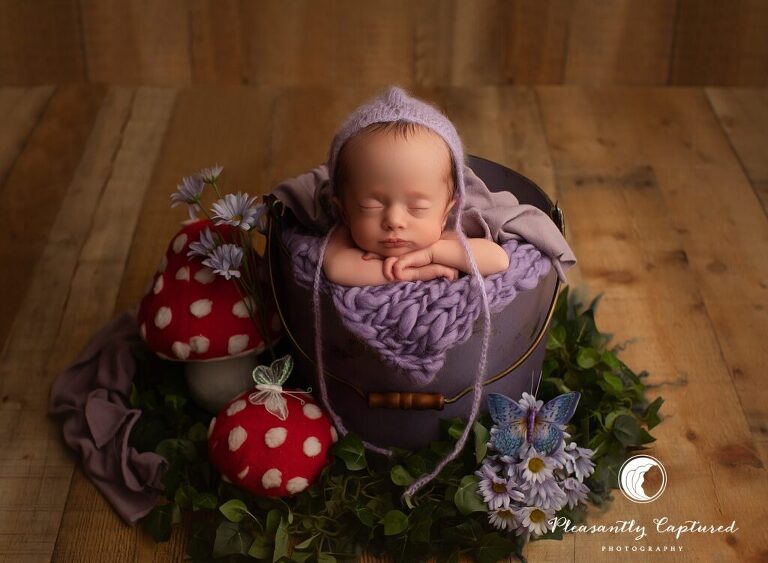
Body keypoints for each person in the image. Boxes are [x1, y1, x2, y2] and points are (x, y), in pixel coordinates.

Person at [322, 119, 510, 286]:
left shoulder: (445, 238)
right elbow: (337, 269)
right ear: (345, 212)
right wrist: (414, 273)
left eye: (417, 207)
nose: (394, 220)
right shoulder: (345, 235)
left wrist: (432, 253)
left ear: (445, 214)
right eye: (371, 206)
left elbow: (498, 260)